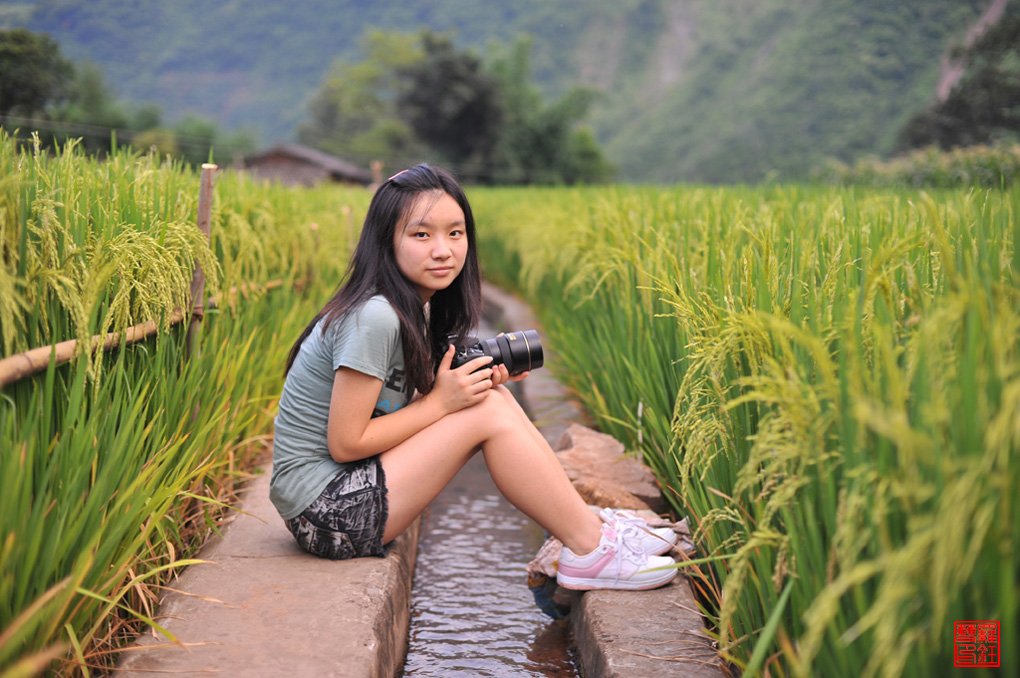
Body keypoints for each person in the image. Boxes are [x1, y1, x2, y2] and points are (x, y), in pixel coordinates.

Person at [269, 163, 678, 591]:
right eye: (421, 235)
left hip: (347, 490)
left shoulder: (410, 307)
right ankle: (590, 550)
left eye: (456, 233)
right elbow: (346, 442)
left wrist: (462, 387)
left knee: (492, 399)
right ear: (385, 241)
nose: (443, 250)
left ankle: (590, 532)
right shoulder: (374, 316)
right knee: (485, 412)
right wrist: (440, 403)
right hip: (324, 513)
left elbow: (394, 408)